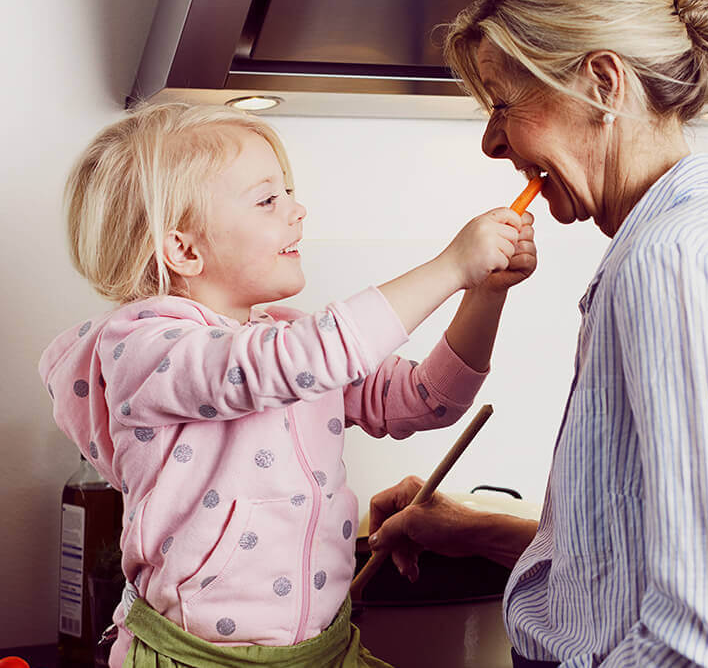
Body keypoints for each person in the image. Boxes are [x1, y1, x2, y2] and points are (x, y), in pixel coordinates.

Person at [366, 0, 708, 665]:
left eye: (503, 103)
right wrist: (474, 527)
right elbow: (642, 568)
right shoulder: (696, 241)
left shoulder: (673, 264)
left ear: (603, 84)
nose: (491, 140)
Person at [38, 102, 537, 667]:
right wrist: (450, 267)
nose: (298, 210)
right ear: (184, 249)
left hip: (324, 649)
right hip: (198, 660)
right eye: (268, 198)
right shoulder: (146, 350)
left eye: (289, 192)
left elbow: (429, 401)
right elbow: (284, 363)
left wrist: (484, 293)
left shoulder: (292, 338)